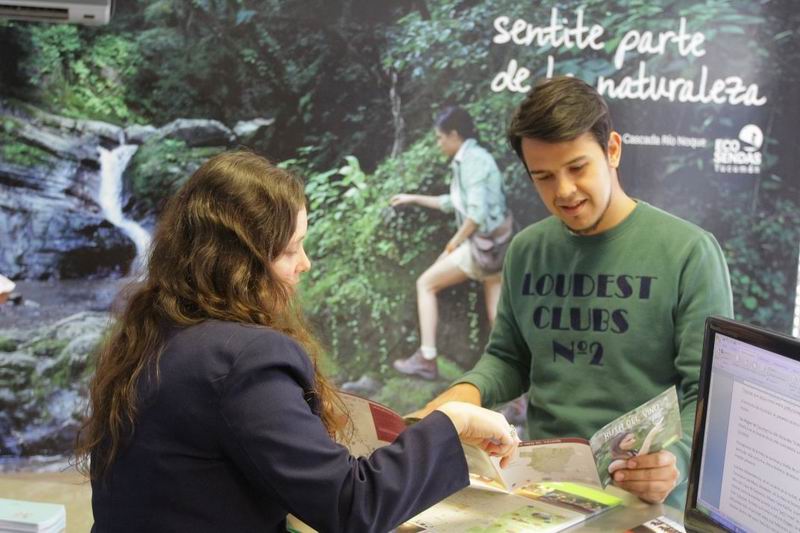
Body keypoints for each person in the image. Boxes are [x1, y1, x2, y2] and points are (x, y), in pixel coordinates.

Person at [75, 151, 519, 533]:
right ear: (238, 262)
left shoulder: (151, 335)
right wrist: (451, 421)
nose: (304, 265)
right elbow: (352, 507)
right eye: (291, 250)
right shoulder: (246, 359)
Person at [410, 77, 734, 508]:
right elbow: (508, 358)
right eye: (543, 176)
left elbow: (708, 396)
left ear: (613, 149)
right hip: (540, 493)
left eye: (577, 168)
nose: (563, 191)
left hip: (641, 502)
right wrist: (457, 400)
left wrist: (675, 460)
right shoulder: (527, 250)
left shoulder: (688, 252)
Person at [391, 106, 512, 380]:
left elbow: (476, 215)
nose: (438, 144)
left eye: (440, 138)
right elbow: (452, 203)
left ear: (454, 135)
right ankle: (517, 385)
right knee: (497, 316)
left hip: (484, 246)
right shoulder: (470, 158)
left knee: (426, 283)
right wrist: (412, 197)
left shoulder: (471, 161)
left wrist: (451, 246)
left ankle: (427, 358)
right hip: (498, 246)